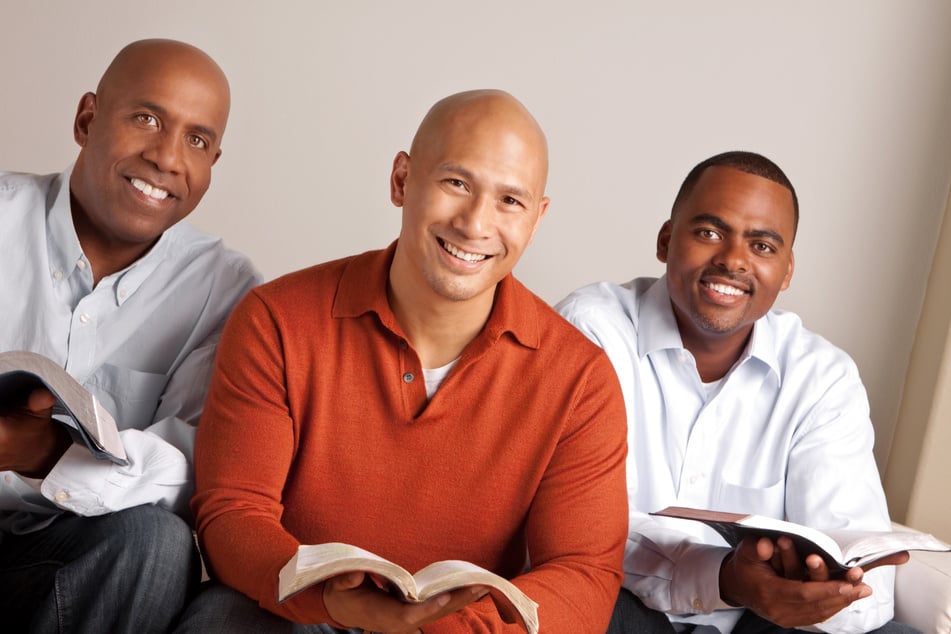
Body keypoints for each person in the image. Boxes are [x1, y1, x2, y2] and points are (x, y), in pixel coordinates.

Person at [175, 89, 629, 633]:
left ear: (537, 218)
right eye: (456, 183)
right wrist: (335, 601)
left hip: (461, 633)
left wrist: (443, 630)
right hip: (299, 617)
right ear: (401, 180)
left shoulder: (581, 379)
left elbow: (583, 573)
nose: (475, 223)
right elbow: (233, 516)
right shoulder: (276, 319)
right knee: (221, 619)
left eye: (510, 201)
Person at [555, 151, 914, 633]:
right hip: (618, 607)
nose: (733, 260)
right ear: (666, 241)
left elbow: (864, 585)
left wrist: (820, 588)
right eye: (708, 233)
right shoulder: (590, 330)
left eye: (763, 246)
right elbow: (575, 534)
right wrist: (723, 576)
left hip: (760, 622)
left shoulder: (822, 376)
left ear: (786, 271)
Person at [0, 39, 261, 632]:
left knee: (157, 540)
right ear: (87, 119)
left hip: (67, 561)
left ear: (213, 162)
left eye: (197, 140)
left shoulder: (226, 290)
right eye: (146, 118)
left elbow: (194, 473)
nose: (168, 158)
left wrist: (40, 455)